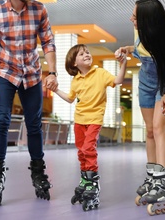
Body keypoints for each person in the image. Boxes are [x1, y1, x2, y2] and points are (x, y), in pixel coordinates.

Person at [0, 0, 58, 206]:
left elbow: (48, 43)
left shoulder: (39, 9)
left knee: (34, 125)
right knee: (1, 120)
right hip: (4, 72)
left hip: (31, 74)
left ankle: (38, 171)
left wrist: (52, 72)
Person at [116, 0, 165, 213]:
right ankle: (152, 179)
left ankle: (163, 184)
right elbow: (141, 50)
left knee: (158, 128)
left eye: (135, 17)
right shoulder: (140, 31)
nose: (131, 19)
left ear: (148, 20)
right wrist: (127, 50)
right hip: (146, 83)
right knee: (149, 131)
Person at [51, 44, 127, 211]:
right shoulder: (75, 80)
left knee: (88, 149)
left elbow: (118, 80)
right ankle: (85, 179)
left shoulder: (100, 73)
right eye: (81, 54)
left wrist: (124, 64)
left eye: (87, 52)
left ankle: (93, 183)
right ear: (74, 64)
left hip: (94, 119)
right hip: (79, 120)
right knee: (81, 151)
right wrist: (56, 90)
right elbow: (71, 99)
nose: (86, 55)